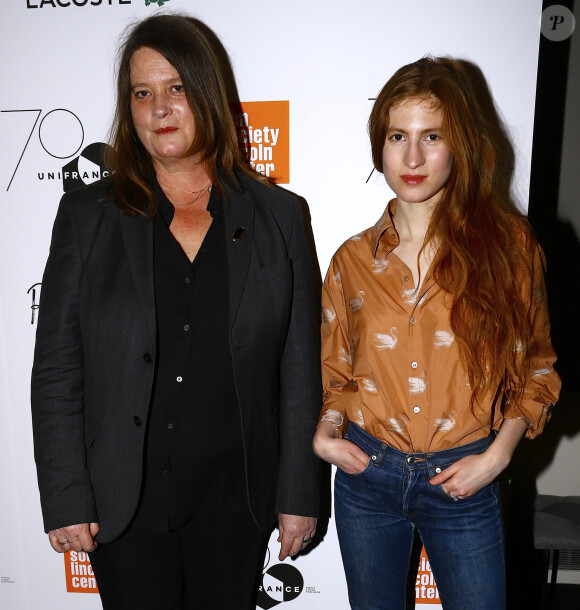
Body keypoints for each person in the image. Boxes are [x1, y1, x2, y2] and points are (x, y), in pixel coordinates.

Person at [31, 14, 320, 610]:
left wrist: (299, 491)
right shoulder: (88, 217)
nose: (159, 108)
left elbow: (299, 373)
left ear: (207, 95)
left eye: (176, 88)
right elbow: (58, 369)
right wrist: (66, 496)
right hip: (123, 504)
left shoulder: (280, 217)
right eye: (142, 93)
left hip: (235, 501)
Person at [313, 56, 561, 610]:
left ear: (461, 145)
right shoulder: (351, 261)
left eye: (433, 136)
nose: (414, 157)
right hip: (367, 480)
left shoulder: (510, 248)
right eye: (399, 135)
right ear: (380, 144)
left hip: (466, 483)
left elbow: (538, 368)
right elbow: (337, 376)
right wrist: (327, 435)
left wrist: (497, 458)